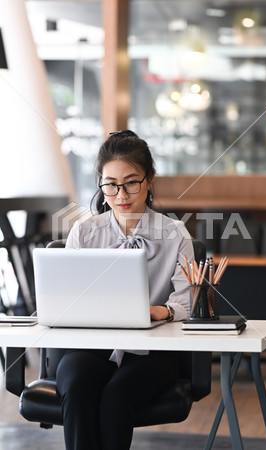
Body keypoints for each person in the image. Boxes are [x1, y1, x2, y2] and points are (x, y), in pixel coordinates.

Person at [56, 130, 194, 450]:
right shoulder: (85, 232)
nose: (121, 194)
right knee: (77, 388)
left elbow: (186, 301)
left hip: (152, 352)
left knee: (117, 397)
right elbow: (67, 298)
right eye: (111, 184)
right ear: (101, 185)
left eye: (131, 182)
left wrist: (158, 310)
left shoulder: (175, 234)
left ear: (149, 180)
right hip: (91, 347)